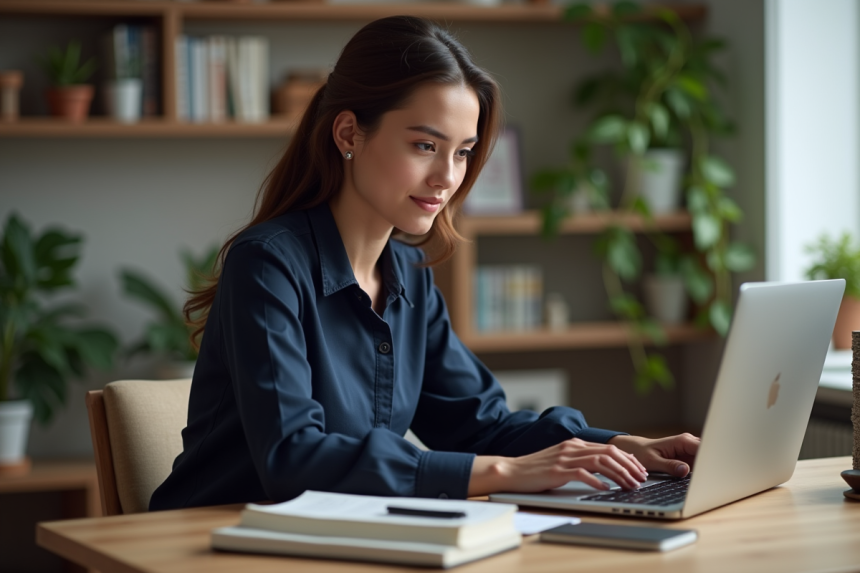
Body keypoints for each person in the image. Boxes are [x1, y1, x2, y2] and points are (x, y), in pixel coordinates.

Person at [149, 15, 699, 511]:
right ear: (349, 134)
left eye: (462, 152)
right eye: (424, 146)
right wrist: (507, 474)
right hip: (212, 542)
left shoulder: (408, 278)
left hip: (341, 538)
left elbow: (480, 425)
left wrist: (618, 446)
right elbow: (294, 460)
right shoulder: (268, 266)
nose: (448, 178)